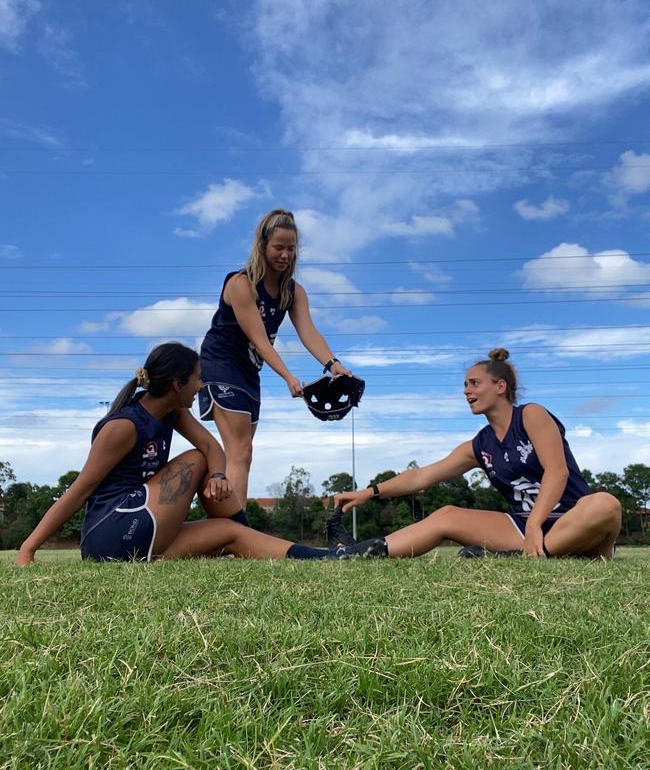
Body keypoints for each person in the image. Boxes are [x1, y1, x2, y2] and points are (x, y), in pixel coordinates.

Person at [15, 342, 384, 566]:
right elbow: (79, 491)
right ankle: (304, 551)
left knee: (231, 533)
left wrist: (220, 477)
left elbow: (213, 447)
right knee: (194, 461)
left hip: (139, 537)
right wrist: (29, 549)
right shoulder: (124, 426)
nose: (202, 384)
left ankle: (326, 557)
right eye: (196, 378)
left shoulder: (173, 411)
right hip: (112, 533)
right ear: (177, 384)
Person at [333, 349, 621, 560]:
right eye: (465, 385)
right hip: (522, 527)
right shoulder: (480, 444)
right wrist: (368, 492)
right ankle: (364, 553)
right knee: (447, 515)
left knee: (605, 505)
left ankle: (523, 556)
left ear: (500, 386)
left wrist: (535, 525)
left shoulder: (532, 415)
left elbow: (557, 471)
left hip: (572, 520)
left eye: (474, 383)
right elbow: (422, 476)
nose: (466, 391)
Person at [199, 209, 351, 506]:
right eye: (278, 247)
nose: (285, 254)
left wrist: (334, 365)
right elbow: (259, 339)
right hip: (221, 364)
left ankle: (229, 528)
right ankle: (234, 531)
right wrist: (289, 377)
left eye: (291, 248)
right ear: (262, 245)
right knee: (239, 449)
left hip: (249, 370)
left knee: (244, 452)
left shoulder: (294, 292)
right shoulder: (240, 284)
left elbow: (309, 332)